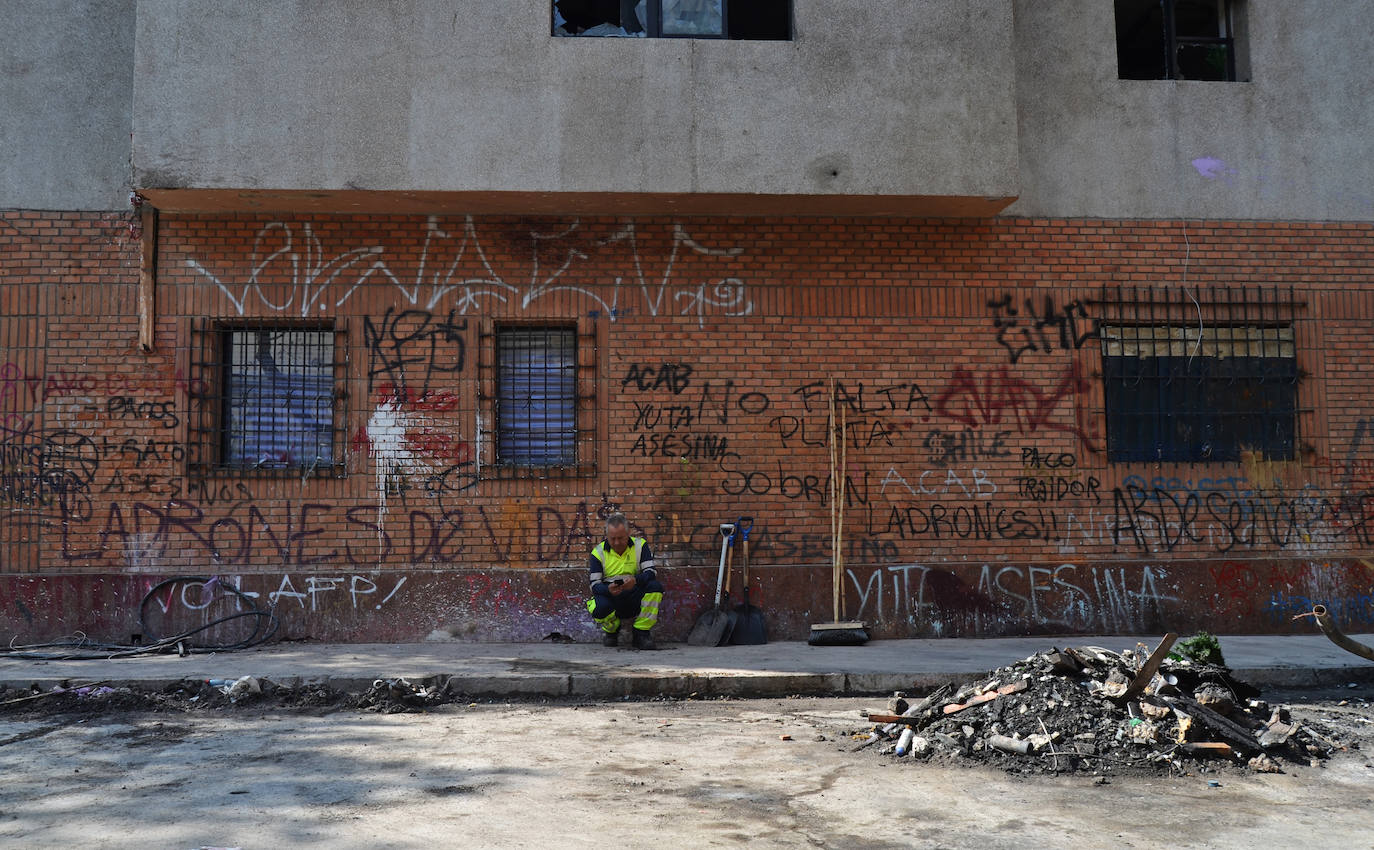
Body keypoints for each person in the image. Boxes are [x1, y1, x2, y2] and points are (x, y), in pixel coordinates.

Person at [585, 513, 663, 649]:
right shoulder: (598, 553)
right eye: (612, 539)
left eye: (620, 538)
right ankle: (612, 630)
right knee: (597, 608)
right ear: (606, 536)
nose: (617, 543)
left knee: (655, 587)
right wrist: (608, 589)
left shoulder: (640, 545)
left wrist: (635, 580)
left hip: (634, 592)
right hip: (611, 596)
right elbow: (594, 585)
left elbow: (651, 572)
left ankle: (641, 633)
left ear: (628, 534)